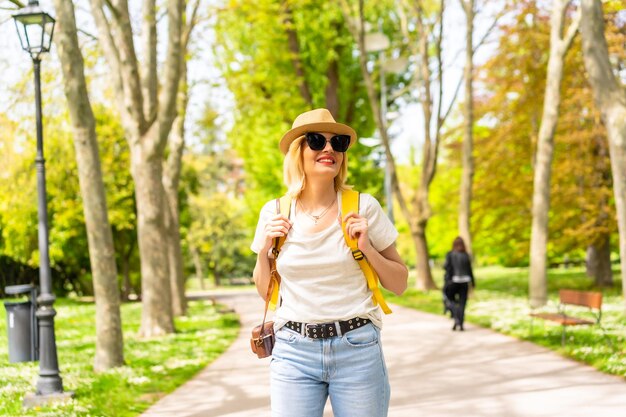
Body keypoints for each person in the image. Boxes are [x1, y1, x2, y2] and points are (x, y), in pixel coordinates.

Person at [251, 108, 408, 417]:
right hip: (293, 350)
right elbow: (264, 291)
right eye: (316, 141)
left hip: (357, 348)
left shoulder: (364, 207)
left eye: (337, 142)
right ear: (299, 152)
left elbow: (400, 283)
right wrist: (264, 250)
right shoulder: (275, 212)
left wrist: (367, 249)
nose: (328, 149)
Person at [443, 237, 475, 331]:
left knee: (451, 301)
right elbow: (470, 270)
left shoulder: (450, 254)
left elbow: (446, 267)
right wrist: (473, 282)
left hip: (453, 281)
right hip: (465, 282)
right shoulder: (466, 255)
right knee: (462, 303)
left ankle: (456, 319)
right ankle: (460, 323)